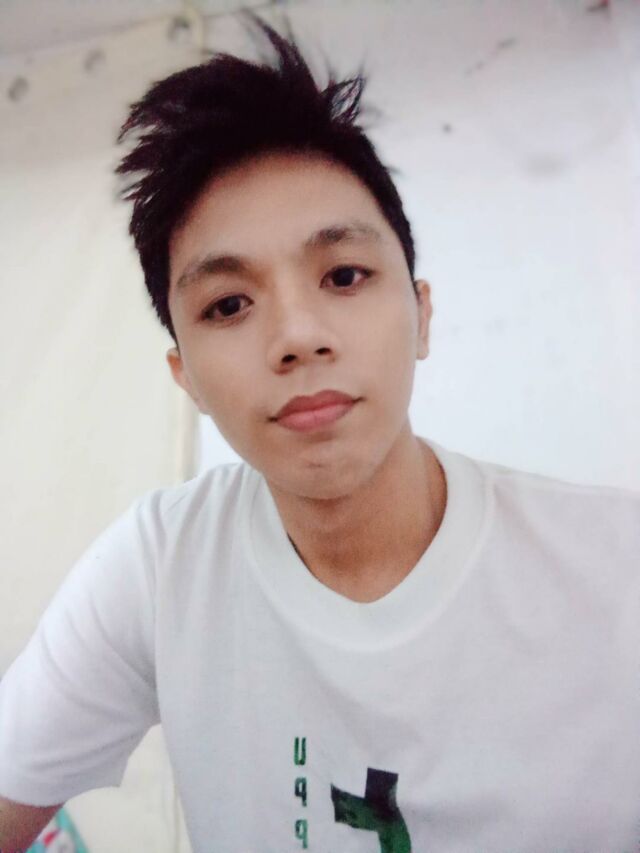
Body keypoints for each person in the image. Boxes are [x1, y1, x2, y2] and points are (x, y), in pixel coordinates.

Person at [1, 11, 639, 853]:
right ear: (185, 376)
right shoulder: (161, 568)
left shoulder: (615, 569)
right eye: (229, 304)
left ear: (421, 315)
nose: (298, 336)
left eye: (343, 274)